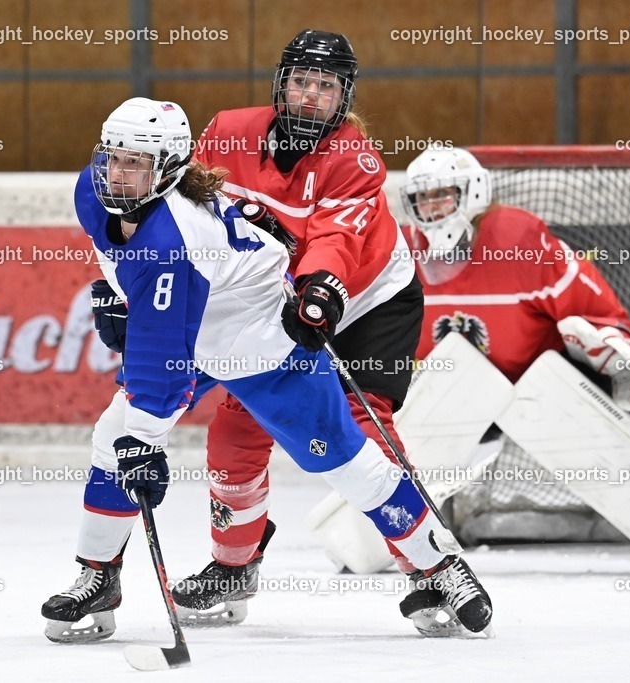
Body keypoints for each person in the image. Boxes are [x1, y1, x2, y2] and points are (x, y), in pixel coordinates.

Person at [40, 97, 493, 643]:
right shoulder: (95, 192)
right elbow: (133, 271)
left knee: (346, 459)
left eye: (136, 164)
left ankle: (438, 564)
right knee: (112, 437)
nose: (117, 175)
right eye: (112, 158)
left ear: (168, 170)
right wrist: (119, 293)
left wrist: (145, 440)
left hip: (259, 344)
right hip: (196, 317)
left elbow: (161, 373)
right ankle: (97, 573)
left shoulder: (176, 245)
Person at [165, 29, 431, 628]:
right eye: (302, 82)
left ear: (344, 97)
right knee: (236, 428)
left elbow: (336, 241)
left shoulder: (356, 158)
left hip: (369, 299)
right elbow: (185, 212)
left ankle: (429, 567)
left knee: (367, 427)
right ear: (282, 83)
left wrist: (318, 289)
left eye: (326, 87)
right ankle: (234, 565)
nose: (311, 97)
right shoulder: (228, 131)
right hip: (278, 299)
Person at [401, 146, 630, 408]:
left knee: (583, 339)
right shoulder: (401, 252)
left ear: (474, 191)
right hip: (462, 400)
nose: (431, 207)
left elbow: (598, 312)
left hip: (543, 394)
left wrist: (613, 343)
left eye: (442, 194)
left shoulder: (518, 243)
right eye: (422, 197)